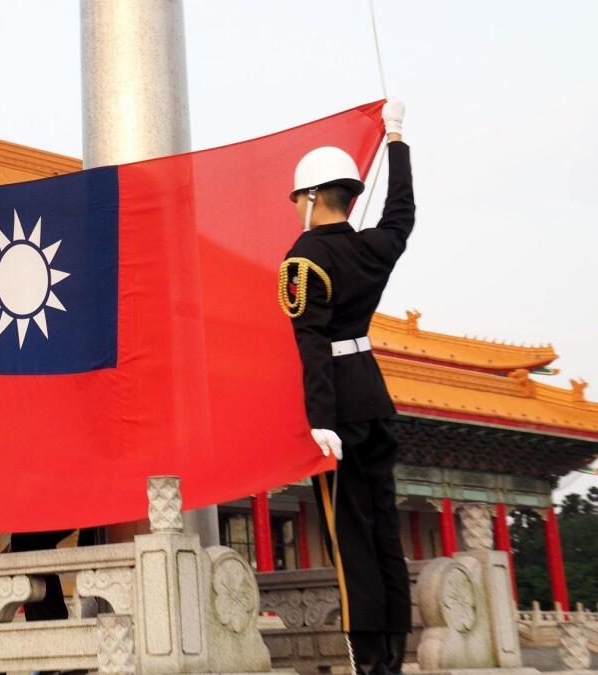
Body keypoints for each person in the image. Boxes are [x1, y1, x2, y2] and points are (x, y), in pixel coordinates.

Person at [278, 100, 413, 675]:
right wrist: (398, 142)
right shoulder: (372, 248)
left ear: (310, 200)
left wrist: (321, 419)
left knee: (350, 540)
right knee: (385, 534)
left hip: (340, 413)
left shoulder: (305, 257)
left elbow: (312, 345)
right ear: (350, 195)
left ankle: (370, 663)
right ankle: (394, 657)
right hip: (376, 401)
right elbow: (402, 214)